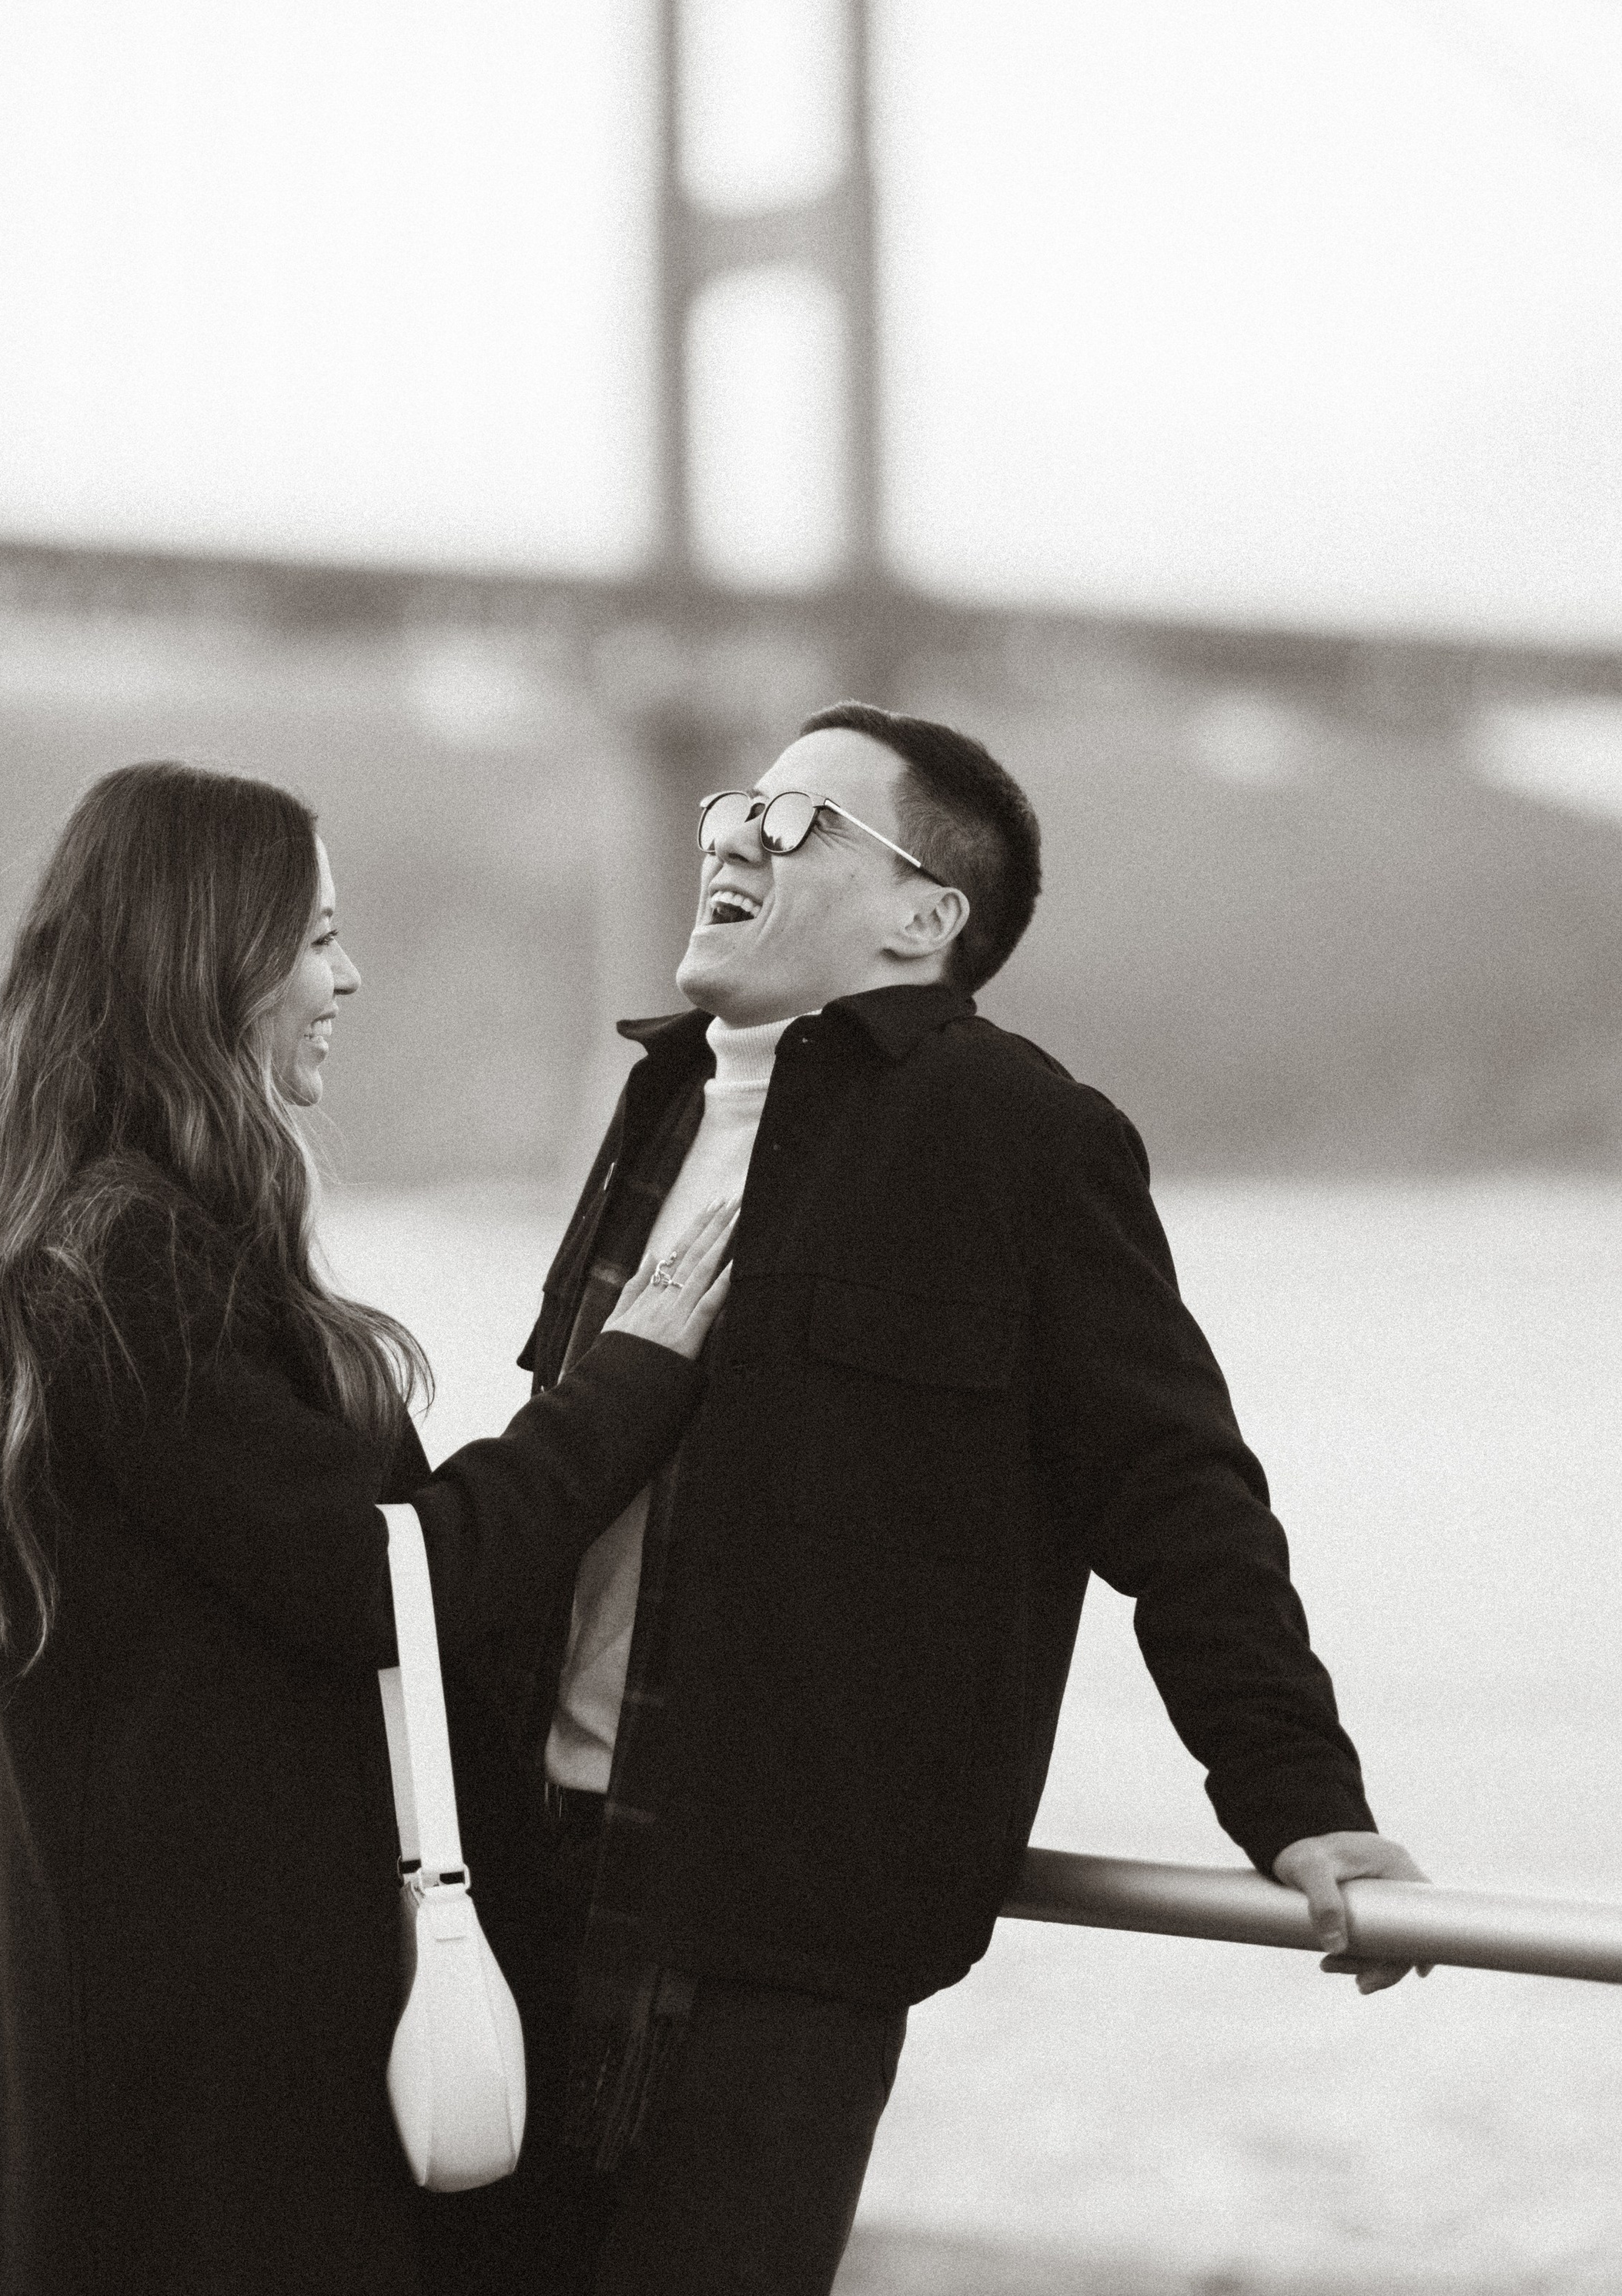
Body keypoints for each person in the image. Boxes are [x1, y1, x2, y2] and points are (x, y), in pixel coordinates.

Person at [455, 700, 1426, 2296]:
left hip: (774, 1938)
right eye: (725, 809)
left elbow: (1174, 1491)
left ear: (925, 916)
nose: (725, 839)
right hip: (523, 1880)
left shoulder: (1019, 1137)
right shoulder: (660, 1110)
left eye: (793, 824)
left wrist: (1300, 1800)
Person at [0, 760, 736, 2296]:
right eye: (315, 937)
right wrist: (635, 1375)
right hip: (223, 2038)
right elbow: (391, 1574)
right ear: (203, 961)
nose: (347, 976)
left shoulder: (85, 1240)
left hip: (144, 2002)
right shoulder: (134, 1259)